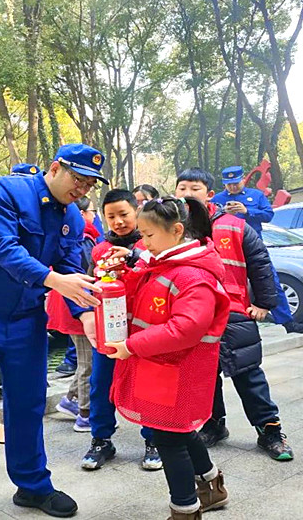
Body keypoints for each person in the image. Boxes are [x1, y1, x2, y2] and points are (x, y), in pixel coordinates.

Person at [0, 144, 107, 520]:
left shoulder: (73, 218)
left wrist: (86, 315)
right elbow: (3, 248)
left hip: (27, 318)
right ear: (55, 168)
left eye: (89, 183)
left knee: (28, 403)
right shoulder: (5, 192)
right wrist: (53, 280)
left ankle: (32, 486)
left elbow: (68, 266)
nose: (82, 189)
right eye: (78, 179)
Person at [103, 197, 231, 520]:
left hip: (176, 371)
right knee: (179, 430)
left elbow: (185, 328)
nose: (142, 243)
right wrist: (126, 275)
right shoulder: (163, 262)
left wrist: (132, 345)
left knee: (168, 438)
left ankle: (185, 509)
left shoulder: (193, 276)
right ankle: (211, 485)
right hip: (160, 368)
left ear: (175, 231)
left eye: (147, 236)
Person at [175, 169, 293, 461]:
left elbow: (261, 263)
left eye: (195, 188)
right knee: (203, 376)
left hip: (233, 313)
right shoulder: (171, 229)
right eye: (182, 188)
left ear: (210, 194)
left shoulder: (234, 226)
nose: (188, 194)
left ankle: (270, 431)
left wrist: (265, 302)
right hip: (191, 316)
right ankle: (213, 425)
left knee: (249, 375)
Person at [80, 188, 162, 471]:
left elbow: (161, 272)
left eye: (124, 214)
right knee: (102, 385)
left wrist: (131, 257)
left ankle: (153, 440)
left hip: (142, 330)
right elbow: (89, 286)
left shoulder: (149, 246)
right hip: (109, 331)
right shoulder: (100, 250)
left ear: (136, 212)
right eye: (111, 216)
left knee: (146, 386)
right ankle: (101, 439)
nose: (118, 221)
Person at [211, 165, 303, 334]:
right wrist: (222, 212)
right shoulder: (217, 199)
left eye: (235, 183)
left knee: (270, 283)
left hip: (253, 246)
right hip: (226, 249)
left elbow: (268, 215)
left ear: (243, 179)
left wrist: (247, 211)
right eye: (229, 184)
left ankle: (287, 321)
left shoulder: (256, 196)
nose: (233, 187)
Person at [49, 197, 102, 431]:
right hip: (79, 308)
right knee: (87, 363)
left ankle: (69, 401)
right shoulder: (81, 242)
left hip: (79, 307)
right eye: (91, 211)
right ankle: (84, 414)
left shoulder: (88, 238)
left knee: (86, 360)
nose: (94, 216)